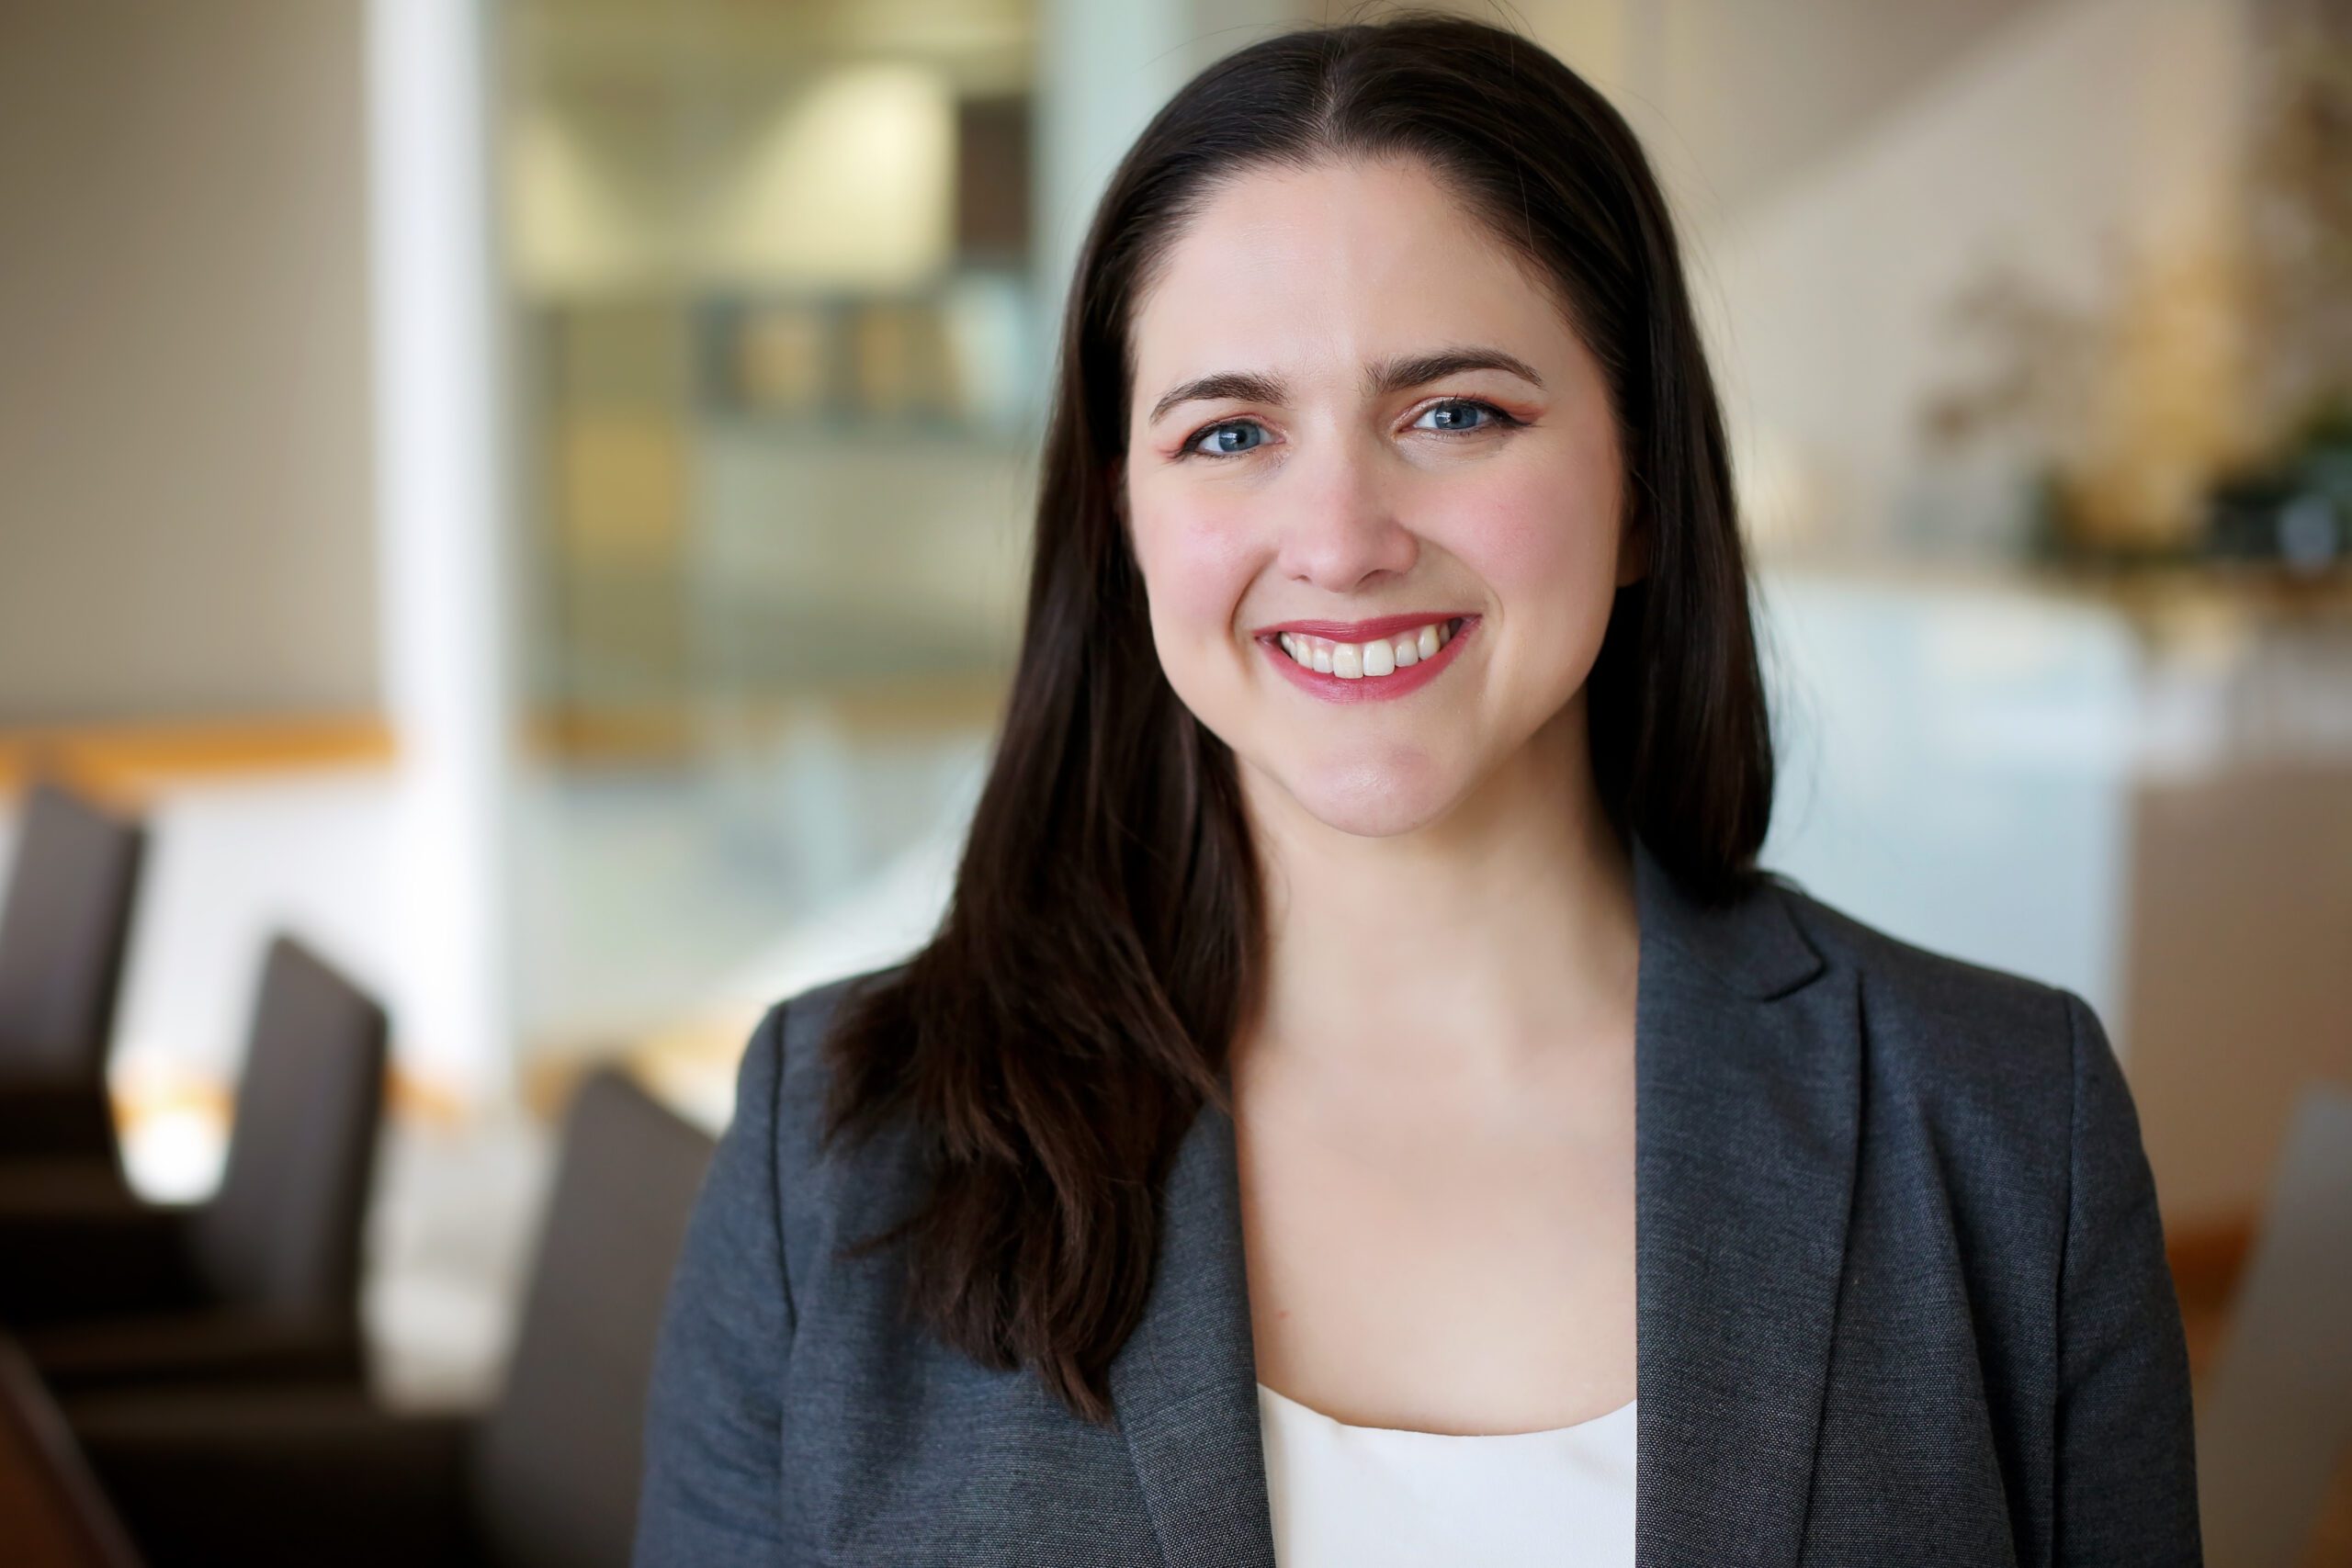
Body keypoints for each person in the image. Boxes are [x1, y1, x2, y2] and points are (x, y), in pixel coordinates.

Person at [633, 14, 2201, 1565]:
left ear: (1645, 485)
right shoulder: (839, 1144)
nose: (1340, 535)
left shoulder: (2003, 1126)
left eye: (1456, 414)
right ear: (1122, 524)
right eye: (1230, 430)